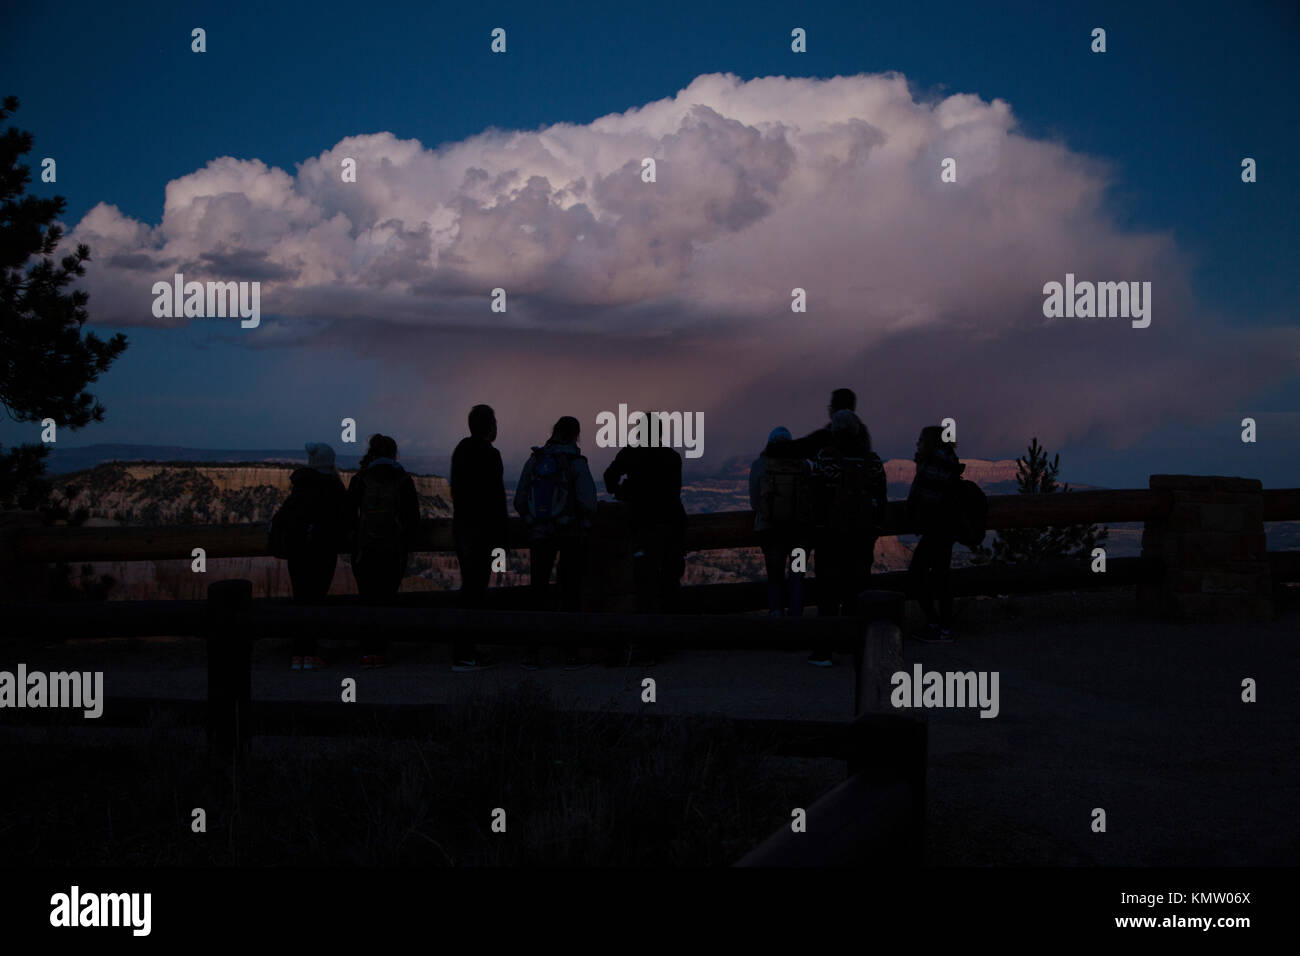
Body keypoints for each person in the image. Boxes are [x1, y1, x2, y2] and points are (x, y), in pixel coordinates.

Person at [602, 412, 687, 665]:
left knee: (645, 586)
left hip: (642, 529)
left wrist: (623, 492)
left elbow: (609, 478)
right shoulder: (672, 458)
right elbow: (674, 493)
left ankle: (647, 643)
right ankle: (668, 641)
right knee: (670, 584)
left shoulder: (631, 453)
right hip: (671, 529)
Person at [514, 416, 598, 669]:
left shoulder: (536, 459)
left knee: (537, 589)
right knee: (571, 590)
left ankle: (533, 651)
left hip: (540, 534)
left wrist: (532, 520)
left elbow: (519, 499)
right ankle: (570, 651)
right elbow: (589, 502)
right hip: (571, 534)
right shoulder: (576, 462)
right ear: (576, 434)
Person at [807, 409, 887, 666]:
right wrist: (874, 528)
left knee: (828, 593)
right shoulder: (872, 461)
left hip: (831, 536)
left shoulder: (825, 457)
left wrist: (817, 529)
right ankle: (853, 645)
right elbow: (881, 499)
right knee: (857, 590)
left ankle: (823, 651)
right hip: (862, 537)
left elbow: (816, 497)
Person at [271, 442, 351, 670]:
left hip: (298, 551)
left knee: (301, 599)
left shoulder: (301, 484)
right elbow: (344, 518)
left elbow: (284, 516)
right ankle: (311, 654)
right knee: (316, 601)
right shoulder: (333, 486)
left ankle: (299, 654)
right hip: (322, 551)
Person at [347, 433, 421, 668]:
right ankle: (381, 650)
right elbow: (412, 519)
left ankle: (368, 650)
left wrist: (355, 543)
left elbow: (348, 516)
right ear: (393, 453)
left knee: (367, 597)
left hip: (365, 550)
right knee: (387, 596)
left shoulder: (360, 479)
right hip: (392, 550)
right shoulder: (403, 479)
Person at [449, 404, 506, 672]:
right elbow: (495, 497)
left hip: (462, 528)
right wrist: (501, 532)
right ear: (490, 426)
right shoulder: (490, 454)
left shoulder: (461, 450)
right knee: (474, 591)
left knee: (468, 588)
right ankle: (464, 654)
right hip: (481, 531)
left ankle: (465, 650)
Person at [906, 425, 964, 642]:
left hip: (935, 529)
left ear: (929, 441)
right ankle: (945, 627)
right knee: (941, 576)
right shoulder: (950, 459)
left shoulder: (934, 463)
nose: (917, 443)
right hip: (947, 529)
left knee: (916, 575)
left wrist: (911, 517)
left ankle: (935, 623)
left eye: (920, 439)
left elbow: (923, 496)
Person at [749, 427, 811, 617]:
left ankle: (776, 617)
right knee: (797, 577)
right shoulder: (803, 465)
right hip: (800, 535)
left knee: (775, 577)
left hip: (771, 533)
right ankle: (796, 620)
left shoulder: (760, 465)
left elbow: (754, 501)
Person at [791, 387, 858, 460]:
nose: (830, 410)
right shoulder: (861, 435)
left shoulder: (826, 436)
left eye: (833, 406)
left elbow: (800, 447)